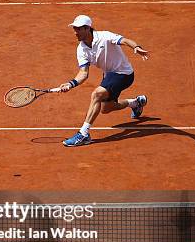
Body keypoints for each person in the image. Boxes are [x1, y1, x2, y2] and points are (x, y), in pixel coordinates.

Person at [59, 15, 149, 147]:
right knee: (106, 108)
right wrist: (70, 84)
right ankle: (136, 103)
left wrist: (136, 47)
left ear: (87, 28)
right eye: (74, 29)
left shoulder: (105, 36)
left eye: (78, 29)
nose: (75, 32)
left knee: (97, 94)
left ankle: (83, 134)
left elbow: (124, 40)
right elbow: (83, 73)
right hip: (109, 76)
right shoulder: (81, 49)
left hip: (124, 74)